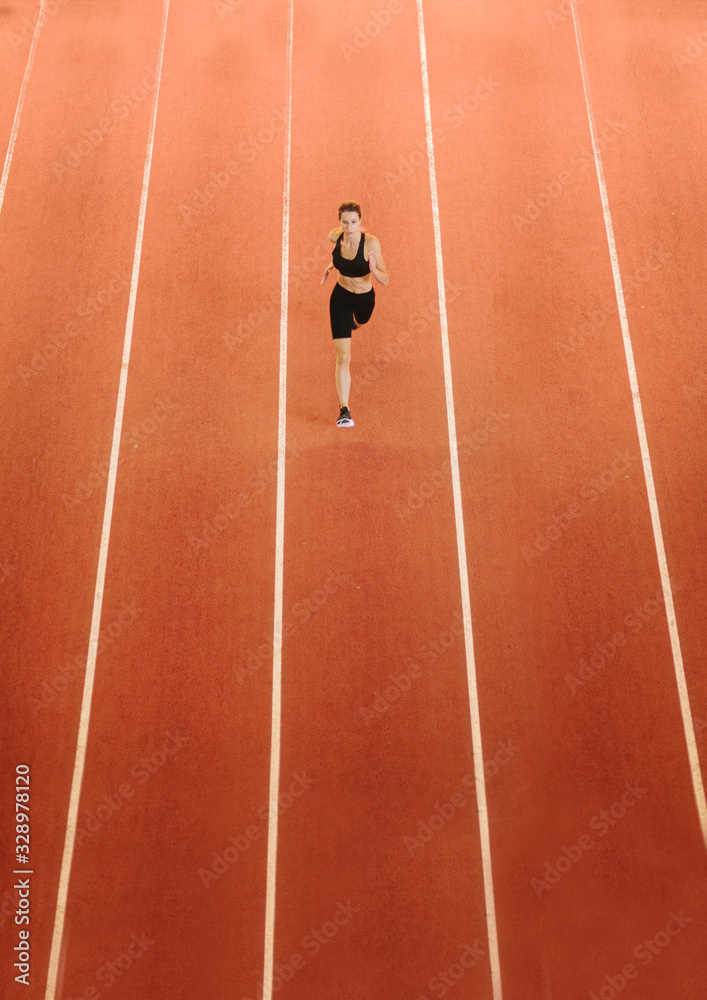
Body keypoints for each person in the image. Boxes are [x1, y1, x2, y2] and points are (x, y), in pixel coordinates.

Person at [321, 200, 388, 427]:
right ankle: (344, 410)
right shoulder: (336, 236)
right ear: (340, 223)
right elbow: (336, 248)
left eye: (353, 222)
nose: (349, 226)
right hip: (340, 297)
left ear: (360, 222)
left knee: (361, 322)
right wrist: (332, 265)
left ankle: (355, 324)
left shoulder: (371, 244)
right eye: (345, 222)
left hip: (363, 299)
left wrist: (373, 270)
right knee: (344, 357)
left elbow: (386, 279)